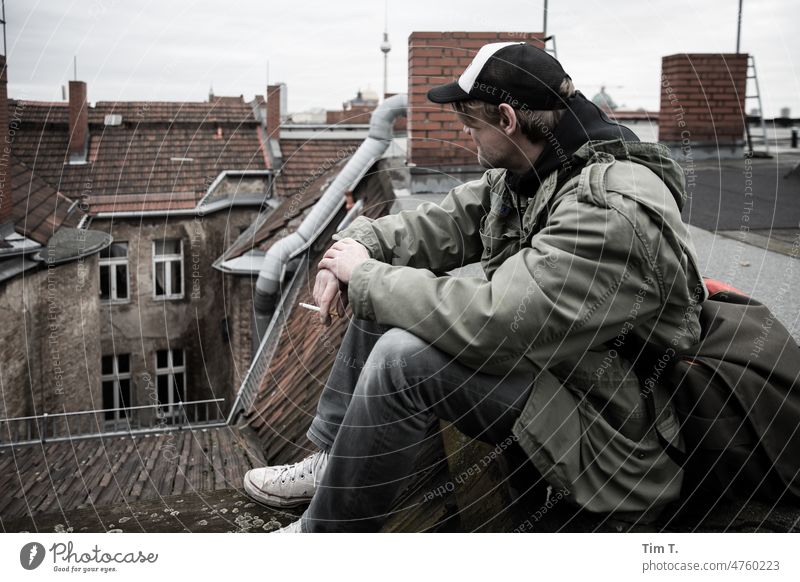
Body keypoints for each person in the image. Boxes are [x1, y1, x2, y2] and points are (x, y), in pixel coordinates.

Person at [242, 42, 706, 532]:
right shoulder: (536, 168)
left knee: (401, 356)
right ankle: (335, 463)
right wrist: (358, 245)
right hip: (563, 374)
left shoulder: (609, 208)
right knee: (382, 300)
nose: (465, 134)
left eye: (469, 122)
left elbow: (496, 318)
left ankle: (325, 539)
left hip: (614, 430)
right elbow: (438, 224)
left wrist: (364, 275)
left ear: (506, 118)